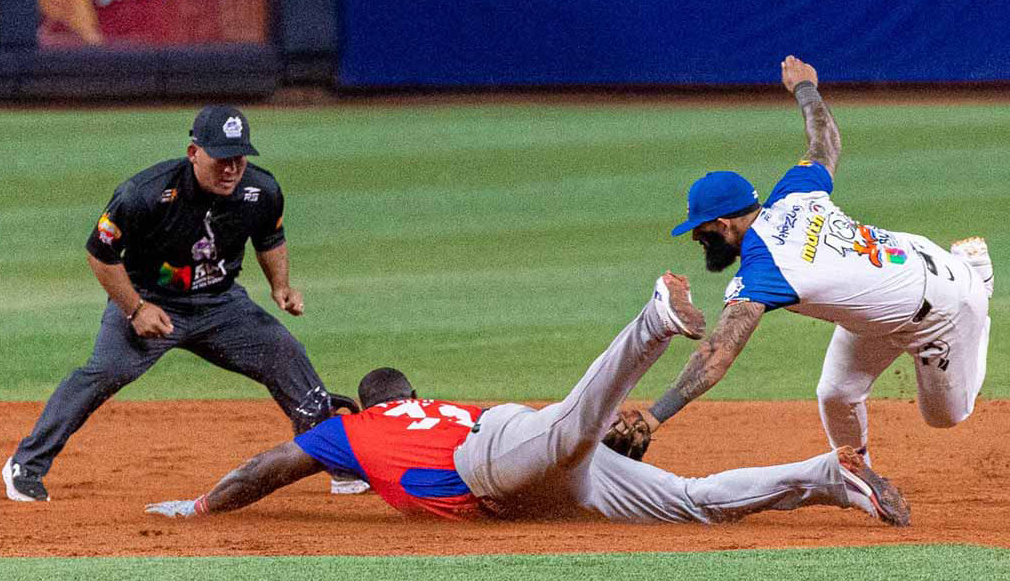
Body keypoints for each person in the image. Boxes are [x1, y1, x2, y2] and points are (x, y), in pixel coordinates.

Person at [145, 272, 910, 526]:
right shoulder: (440, 408)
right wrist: (601, 439)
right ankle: (829, 478)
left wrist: (204, 507)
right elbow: (554, 442)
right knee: (690, 499)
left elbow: (267, 467)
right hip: (516, 446)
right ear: (414, 394)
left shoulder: (351, 432)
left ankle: (653, 322)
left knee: (575, 429)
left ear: (364, 409)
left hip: (496, 467)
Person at [604, 56, 992, 467]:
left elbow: (716, 354)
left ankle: (979, 278)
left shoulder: (764, 270)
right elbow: (825, 142)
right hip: (901, 277)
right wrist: (806, 88)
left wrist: (652, 417)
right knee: (836, 394)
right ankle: (857, 471)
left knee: (945, 418)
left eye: (701, 229)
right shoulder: (793, 192)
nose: (698, 238)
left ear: (724, 223)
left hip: (943, 309)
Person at [3, 105, 367, 502]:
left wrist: (281, 286)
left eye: (239, 158)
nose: (231, 169)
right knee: (104, 372)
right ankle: (26, 464)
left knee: (286, 354)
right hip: (151, 300)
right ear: (194, 152)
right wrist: (135, 309)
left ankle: (340, 462)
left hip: (222, 305)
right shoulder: (144, 193)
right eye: (221, 159)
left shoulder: (260, 190)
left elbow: (269, 238)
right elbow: (100, 253)